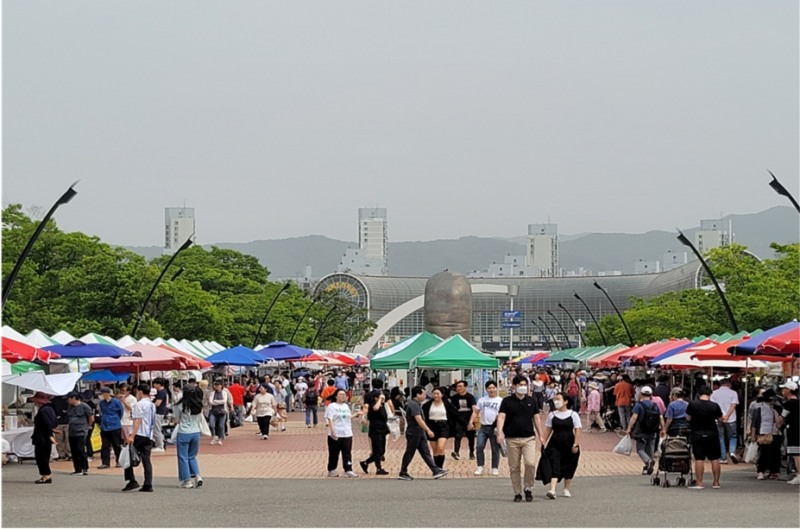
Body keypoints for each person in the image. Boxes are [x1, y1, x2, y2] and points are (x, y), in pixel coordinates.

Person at [496, 375, 543, 502]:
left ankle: (528, 487)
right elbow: (501, 417)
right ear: (514, 386)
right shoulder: (506, 401)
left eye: (524, 385)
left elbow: (537, 418)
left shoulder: (532, 401)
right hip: (512, 438)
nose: (522, 387)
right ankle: (517, 492)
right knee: (514, 467)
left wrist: (541, 435)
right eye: (520, 385)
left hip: (529, 437)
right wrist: (499, 433)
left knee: (530, 463)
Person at [397, 386, 448, 481]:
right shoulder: (413, 405)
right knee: (410, 452)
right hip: (414, 432)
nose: (425, 396)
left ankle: (435, 470)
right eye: (424, 394)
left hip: (420, 432)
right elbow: (418, 419)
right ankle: (403, 472)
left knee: (426, 452)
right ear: (418, 394)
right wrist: (428, 430)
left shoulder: (417, 404)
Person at [538, 392, 582, 499]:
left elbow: (578, 430)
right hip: (555, 443)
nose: (556, 401)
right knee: (554, 464)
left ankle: (566, 488)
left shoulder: (573, 414)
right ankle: (552, 490)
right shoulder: (552, 415)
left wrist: (575, 444)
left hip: (569, 443)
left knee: (569, 465)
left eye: (558, 399)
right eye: (555, 399)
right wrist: (543, 441)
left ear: (565, 401)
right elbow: (548, 429)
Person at [686, 386, 723, 489]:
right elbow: (720, 419)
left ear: (698, 394)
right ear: (710, 394)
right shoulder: (715, 406)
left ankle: (699, 482)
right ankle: (716, 482)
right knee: (715, 458)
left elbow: (688, 418)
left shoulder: (693, 404)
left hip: (697, 433)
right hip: (712, 434)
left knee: (699, 458)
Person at [123, 383, 157, 492]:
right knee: (146, 459)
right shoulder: (152, 404)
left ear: (140, 392)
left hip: (140, 434)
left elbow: (138, 420)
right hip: (149, 434)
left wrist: (131, 436)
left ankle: (132, 480)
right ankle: (148, 483)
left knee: (127, 455)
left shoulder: (139, 405)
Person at [625, 385, 664, 475]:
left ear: (641, 394)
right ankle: (648, 467)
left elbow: (634, 417)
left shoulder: (638, 405)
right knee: (650, 449)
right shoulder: (655, 405)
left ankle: (648, 462)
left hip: (641, 431)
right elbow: (661, 417)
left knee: (640, 449)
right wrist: (663, 428)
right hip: (653, 431)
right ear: (651, 395)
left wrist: (629, 428)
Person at [325, 388, 363, 477]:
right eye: (340, 394)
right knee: (334, 453)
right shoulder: (332, 406)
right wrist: (332, 430)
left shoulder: (345, 406)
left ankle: (348, 469)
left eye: (344, 395)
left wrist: (357, 414)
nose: (342, 396)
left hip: (347, 433)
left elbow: (348, 417)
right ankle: (332, 469)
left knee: (347, 452)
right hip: (336, 433)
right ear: (336, 396)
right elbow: (330, 419)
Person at [173, 385, 205, 489]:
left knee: (183, 457)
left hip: (183, 432)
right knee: (192, 456)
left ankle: (186, 480)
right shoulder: (198, 404)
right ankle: (197, 475)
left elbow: (176, 419)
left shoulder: (180, 405)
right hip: (196, 432)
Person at [359, 379, 393, 475]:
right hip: (375, 425)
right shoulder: (377, 397)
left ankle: (366, 462)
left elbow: (365, 407)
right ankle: (378, 468)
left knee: (381, 450)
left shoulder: (370, 395)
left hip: (382, 425)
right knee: (377, 448)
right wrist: (380, 399)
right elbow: (374, 408)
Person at [422, 387, 459, 471]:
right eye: (434, 393)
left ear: (442, 394)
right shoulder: (427, 405)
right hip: (432, 426)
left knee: (440, 447)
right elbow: (423, 416)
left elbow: (455, 415)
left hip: (443, 426)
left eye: (438, 393)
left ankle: (440, 467)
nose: (436, 395)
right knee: (435, 450)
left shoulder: (447, 404)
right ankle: (437, 468)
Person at [470, 380, 503, 476]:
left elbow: (503, 415)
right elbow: (476, 411)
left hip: (495, 427)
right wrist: (471, 421)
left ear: (496, 388)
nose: (491, 390)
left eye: (493, 388)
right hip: (483, 427)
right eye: (489, 388)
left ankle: (495, 467)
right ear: (486, 389)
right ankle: (480, 466)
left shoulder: (501, 401)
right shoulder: (482, 400)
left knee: (495, 448)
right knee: (479, 446)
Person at [751, 389, 782, 480]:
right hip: (763, 433)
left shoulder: (778, 408)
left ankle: (774, 471)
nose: (774, 401)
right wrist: (753, 435)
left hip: (775, 432)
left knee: (776, 453)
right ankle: (761, 470)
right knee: (764, 453)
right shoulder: (759, 408)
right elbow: (755, 423)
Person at [30, 392, 57, 484]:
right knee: (44, 456)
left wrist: (50, 434)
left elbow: (47, 423)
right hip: (45, 436)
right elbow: (52, 422)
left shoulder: (43, 411)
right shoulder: (50, 409)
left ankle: (46, 474)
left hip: (42, 436)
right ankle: (46, 474)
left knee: (41, 457)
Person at [710, 378, 739, 464]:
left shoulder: (714, 393)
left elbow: (713, 407)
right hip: (731, 418)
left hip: (718, 418)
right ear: (729, 384)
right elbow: (733, 405)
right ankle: (732, 452)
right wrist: (727, 416)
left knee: (720, 437)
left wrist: (721, 416)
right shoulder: (733, 393)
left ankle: (723, 458)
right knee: (733, 436)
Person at [66, 392, 94, 476]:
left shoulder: (84, 406)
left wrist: (87, 426)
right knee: (74, 450)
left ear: (74, 398)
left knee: (80, 449)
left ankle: (84, 468)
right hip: (72, 431)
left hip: (81, 431)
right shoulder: (70, 407)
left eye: (69, 399)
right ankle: (77, 469)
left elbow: (91, 418)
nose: (68, 401)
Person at [777, 381, 799, 485]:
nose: (782, 391)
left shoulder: (789, 404)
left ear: (789, 390)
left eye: (784, 389)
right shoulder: (798, 402)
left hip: (793, 431)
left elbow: (781, 419)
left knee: (796, 454)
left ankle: (799, 475)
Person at [97, 387, 124, 469]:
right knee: (104, 445)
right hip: (104, 426)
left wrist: (115, 420)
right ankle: (105, 463)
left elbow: (121, 412)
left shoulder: (116, 402)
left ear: (107, 393)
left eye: (102, 394)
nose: (101, 396)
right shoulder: (101, 403)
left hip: (115, 426)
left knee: (117, 445)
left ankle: (119, 461)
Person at [450, 380, 477, 461]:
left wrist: (472, 422)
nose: (459, 388)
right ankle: (456, 452)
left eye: (461, 386)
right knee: (458, 436)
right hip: (459, 418)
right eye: (457, 386)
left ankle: (471, 452)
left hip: (469, 418)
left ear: (465, 387)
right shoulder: (454, 398)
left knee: (471, 437)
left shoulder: (470, 397)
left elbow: (474, 409)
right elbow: (452, 409)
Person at [206, 380, 231, 445]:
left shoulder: (224, 392)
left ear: (221, 386)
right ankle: (214, 437)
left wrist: (215, 401)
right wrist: (218, 402)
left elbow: (224, 401)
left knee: (221, 425)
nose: (216, 386)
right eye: (215, 385)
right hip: (213, 411)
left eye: (218, 385)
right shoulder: (212, 393)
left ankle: (220, 438)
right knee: (211, 424)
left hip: (222, 411)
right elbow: (210, 402)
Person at [151, 378, 169, 452]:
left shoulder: (161, 392)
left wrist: (150, 405)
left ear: (158, 384)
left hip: (158, 412)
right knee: (157, 429)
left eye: (154, 384)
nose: (153, 385)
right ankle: (160, 444)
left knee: (156, 429)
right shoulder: (163, 392)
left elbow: (158, 403)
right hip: (160, 412)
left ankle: (160, 446)